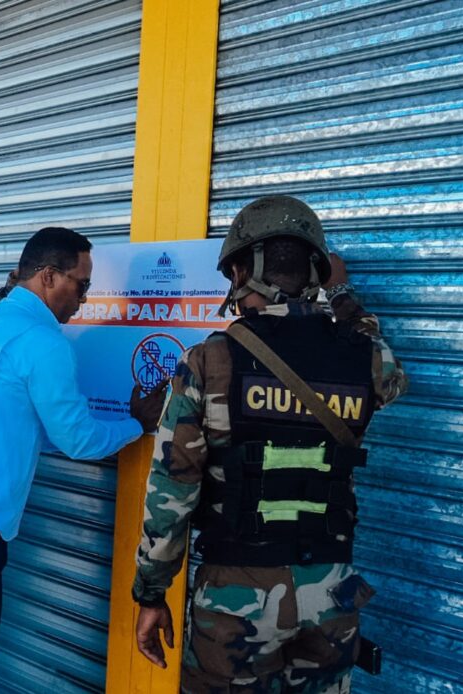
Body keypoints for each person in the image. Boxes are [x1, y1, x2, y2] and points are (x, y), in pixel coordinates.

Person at [132, 196, 408, 693]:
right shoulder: (366, 359)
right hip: (331, 596)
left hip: (236, 603)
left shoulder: (209, 362)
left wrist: (152, 593)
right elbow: (388, 372)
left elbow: (171, 494)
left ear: (241, 272)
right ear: (316, 273)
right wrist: (342, 294)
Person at [0, 226, 168, 693]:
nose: (84, 298)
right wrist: (135, 424)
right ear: (48, 276)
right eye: (81, 285)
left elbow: (19, 422)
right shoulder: (43, 342)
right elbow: (78, 440)